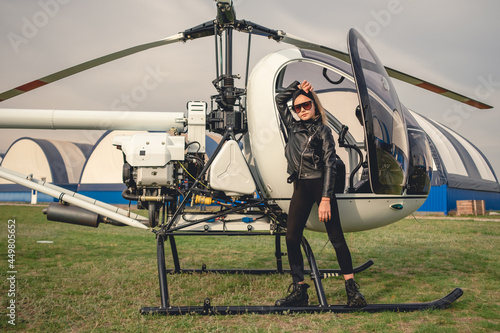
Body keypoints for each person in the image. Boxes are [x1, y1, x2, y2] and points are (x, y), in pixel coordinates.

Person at [274, 80, 367, 308]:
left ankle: (352, 290)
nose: (302, 110)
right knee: (291, 238)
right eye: (298, 107)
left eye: (306, 105)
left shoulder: (323, 130)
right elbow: (279, 100)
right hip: (300, 186)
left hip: (319, 184)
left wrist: (325, 198)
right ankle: (300, 290)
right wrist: (297, 87)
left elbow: (329, 164)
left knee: (336, 238)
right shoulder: (292, 127)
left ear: (314, 105)